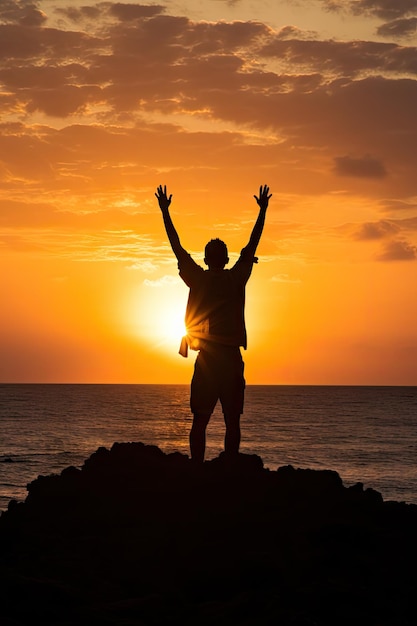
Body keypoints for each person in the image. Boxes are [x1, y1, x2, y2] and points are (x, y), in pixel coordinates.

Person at [155, 184, 271, 463]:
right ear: (226, 258)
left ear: (206, 259)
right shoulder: (236, 278)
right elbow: (252, 245)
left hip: (208, 360)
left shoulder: (198, 278)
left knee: (200, 421)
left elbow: (177, 247)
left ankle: (197, 468)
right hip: (230, 359)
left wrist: (165, 213)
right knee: (232, 421)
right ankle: (230, 465)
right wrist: (263, 211)